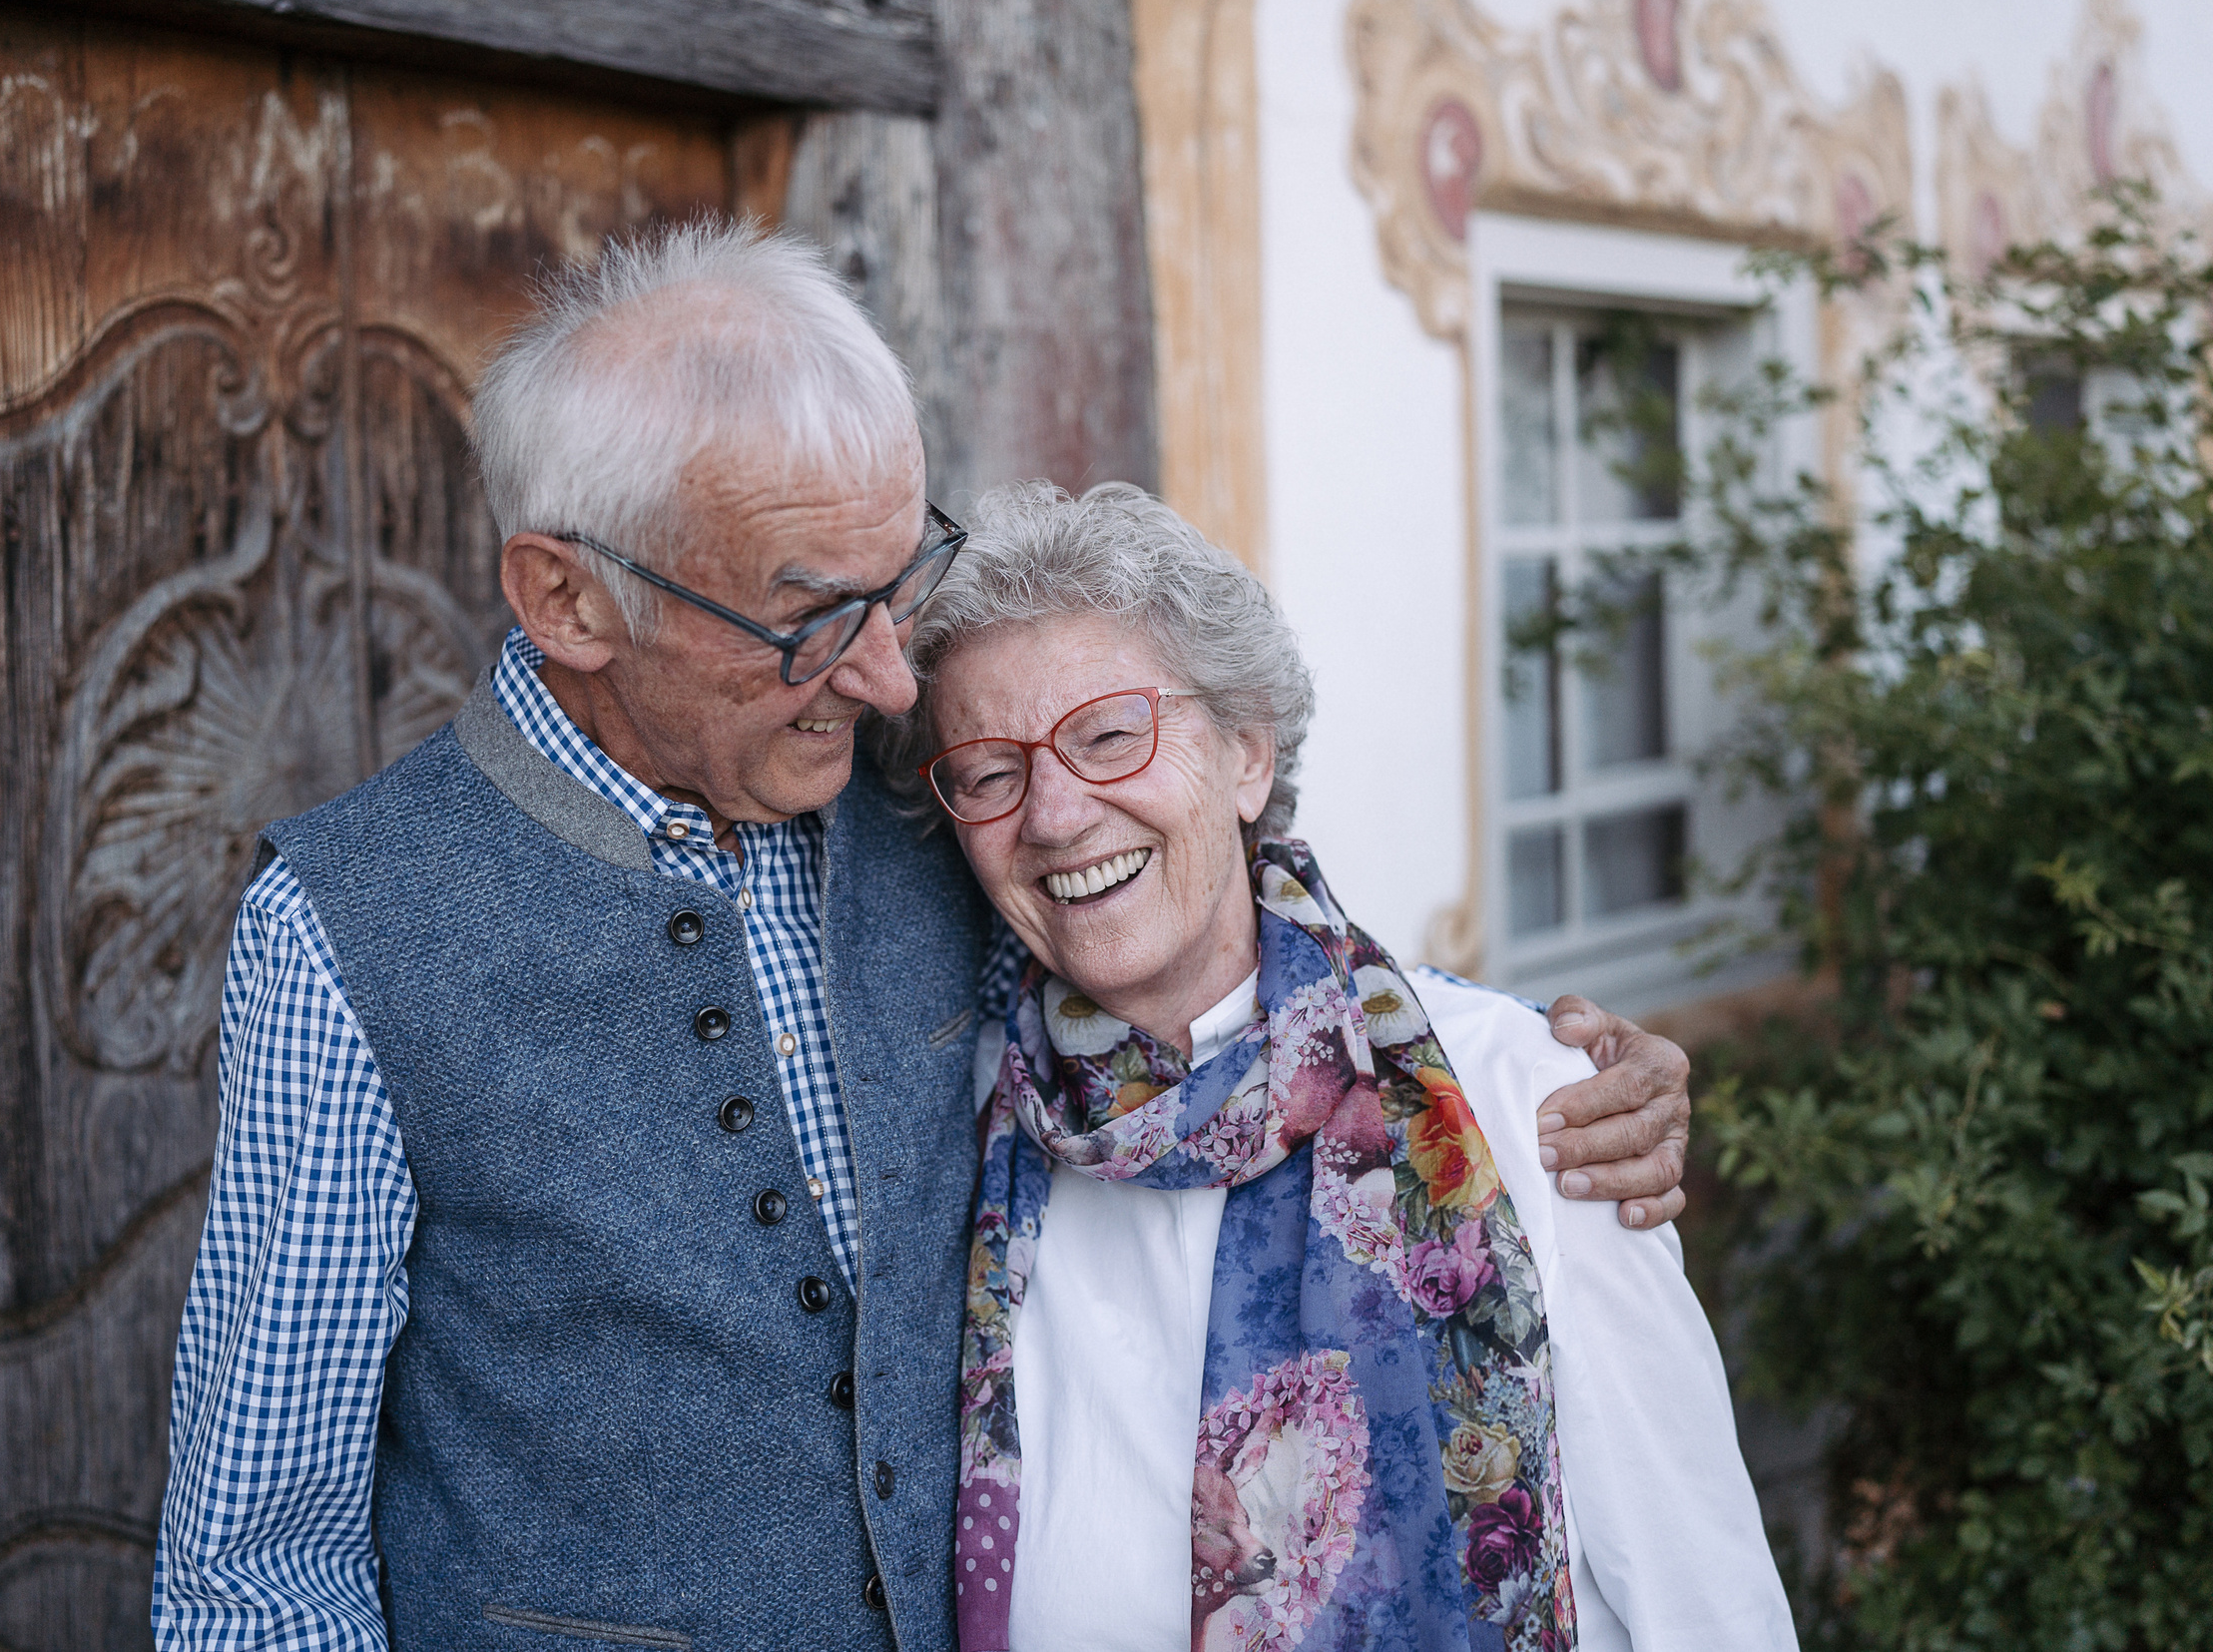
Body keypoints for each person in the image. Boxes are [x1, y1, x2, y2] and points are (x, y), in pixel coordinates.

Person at [151, 223, 1698, 1649]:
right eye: (816, 613)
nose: (895, 677)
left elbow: (1194, 905)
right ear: (568, 598)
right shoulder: (345, 926)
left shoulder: (932, 801)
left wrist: (1525, 1066)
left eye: (906, 579)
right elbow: (257, 1553)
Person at [878, 481, 1792, 1651]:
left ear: (1246, 753)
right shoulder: (968, 1129)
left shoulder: (1523, 1104)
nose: (1054, 815)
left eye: (1110, 733)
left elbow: (1708, 1612)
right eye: (990, 772)